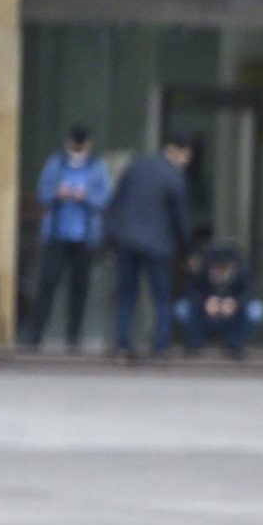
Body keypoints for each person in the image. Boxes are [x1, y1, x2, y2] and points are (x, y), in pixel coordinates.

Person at [103, 134, 193, 360]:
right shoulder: (174, 177)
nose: (185, 162)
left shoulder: (136, 166)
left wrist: (110, 237)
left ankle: (123, 345)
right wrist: (189, 252)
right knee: (161, 297)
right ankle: (160, 347)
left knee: (126, 295)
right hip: (158, 246)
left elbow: (116, 202)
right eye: (185, 157)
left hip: (127, 242)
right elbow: (181, 220)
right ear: (175, 151)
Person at [22, 125, 112, 349]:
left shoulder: (97, 166)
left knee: (79, 289)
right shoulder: (56, 163)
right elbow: (42, 194)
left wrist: (86, 196)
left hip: (85, 238)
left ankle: (73, 337)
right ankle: (35, 335)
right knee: (47, 285)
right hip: (56, 236)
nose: (77, 150)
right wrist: (57, 193)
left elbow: (105, 199)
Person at [174, 243, 263, 357]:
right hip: (204, 318)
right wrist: (205, 302)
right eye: (217, 268)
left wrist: (235, 303)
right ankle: (195, 343)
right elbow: (190, 292)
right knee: (181, 308)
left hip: (233, 318)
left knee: (257, 309)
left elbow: (250, 293)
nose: (221, 272)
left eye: (225, 268)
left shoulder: (242, 275)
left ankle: (234, 344)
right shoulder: (201, 274)